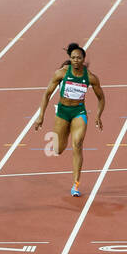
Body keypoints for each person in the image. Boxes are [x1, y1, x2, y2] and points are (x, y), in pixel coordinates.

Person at [33, 43, 105, 197]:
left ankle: (76, 184)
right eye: (73, 58)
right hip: (63, 112)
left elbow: (101, 98)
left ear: (83, 59)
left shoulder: (90, 77)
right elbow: (46, 94)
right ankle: (61, 139)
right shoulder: (61, 74)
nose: (76, 60)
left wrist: (98, 115)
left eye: (79, 58)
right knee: (58, 149)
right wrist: (41, 116)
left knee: (77, 144)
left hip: (79, 112)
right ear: (70, 59)